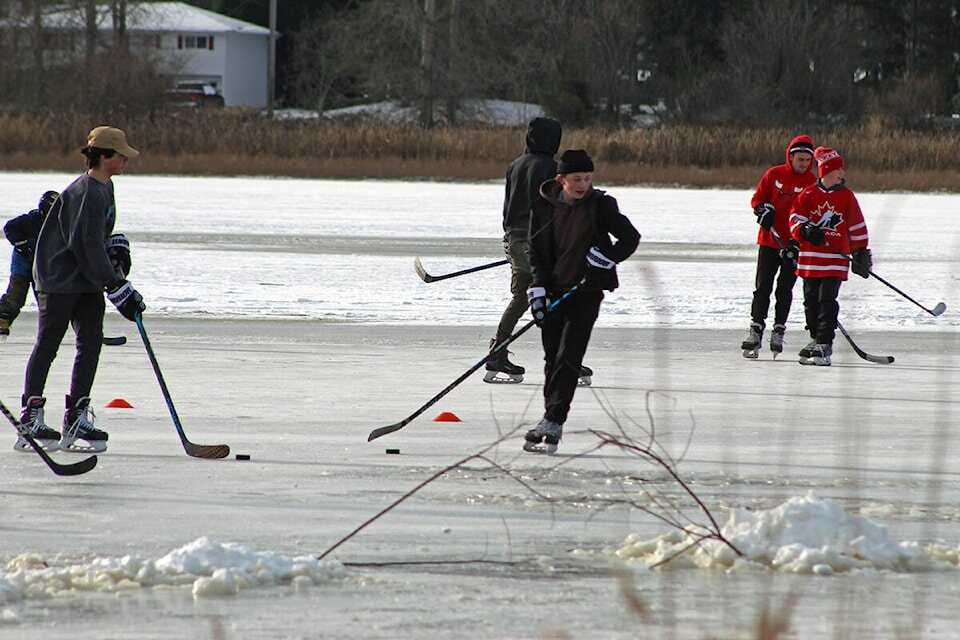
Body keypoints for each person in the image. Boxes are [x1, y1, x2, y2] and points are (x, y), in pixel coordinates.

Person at [15, 126, 145, 454]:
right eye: (119, 155)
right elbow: (83, 242)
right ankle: (30, 416)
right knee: (48, 344)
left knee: (90, 344)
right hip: (59, 280)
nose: (124, 160)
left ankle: (75, 418)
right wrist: (116, 285)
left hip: (86, 280)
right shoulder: (87, 189)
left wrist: (116, 248)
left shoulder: (106, 187)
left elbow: (97, 237)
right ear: (102, 157)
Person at [524, 149, 640, 454]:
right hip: (552, 291)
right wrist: (537, 289)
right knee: (552, 359)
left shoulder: (602, 205)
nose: (583, 184)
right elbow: (536, 252)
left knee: (569, 357)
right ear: (561, 179)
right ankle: (550, 418)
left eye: (588, 178)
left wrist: (607, 258)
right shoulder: (545, 205)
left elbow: (630, 238)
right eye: (577, 179)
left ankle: (553, 420)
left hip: (585, 292)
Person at [485, 117, 562, 384]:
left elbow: (509, 205)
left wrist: (512, 239)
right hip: (535, 240)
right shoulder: (552, 167)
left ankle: (497, 352)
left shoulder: (515, 164)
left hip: (513, 237)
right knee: (552, 296)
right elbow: (555, 208)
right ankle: (563, 360)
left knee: (521, 296)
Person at [789, 146, 871, 366]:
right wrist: (805, 230)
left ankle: (825, 343)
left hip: (835, 261)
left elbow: (856, 225)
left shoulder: (847, 196)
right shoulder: (807, 194)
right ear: (826, 171)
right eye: (838, 170)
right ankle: (815, 337)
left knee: (827, 301)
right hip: (810, 260)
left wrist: (860, 251)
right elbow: (795, 218)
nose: (842, 174)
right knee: (810, 302)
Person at [741, 135, 816, 359]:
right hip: (769, 241)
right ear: (790, 157)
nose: (803, 164)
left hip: (794, 246)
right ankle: (755, 329)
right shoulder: (774, 174)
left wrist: (797, 242)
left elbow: (811, 215)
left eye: (807, 160)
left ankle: (779, 330)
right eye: (800, 159)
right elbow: (757, 198)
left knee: (785, 289)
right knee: (763, 287)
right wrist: (762, 210)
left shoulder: (812, 183)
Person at [0, 190, 60, 340]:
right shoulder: (29, 219)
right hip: (22, 264)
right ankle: (2, 321)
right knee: (15, 297)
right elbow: (9, 227)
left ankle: (48, 332)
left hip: (42, 266)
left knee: (46, 299)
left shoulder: (59, 224)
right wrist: (21, 243)